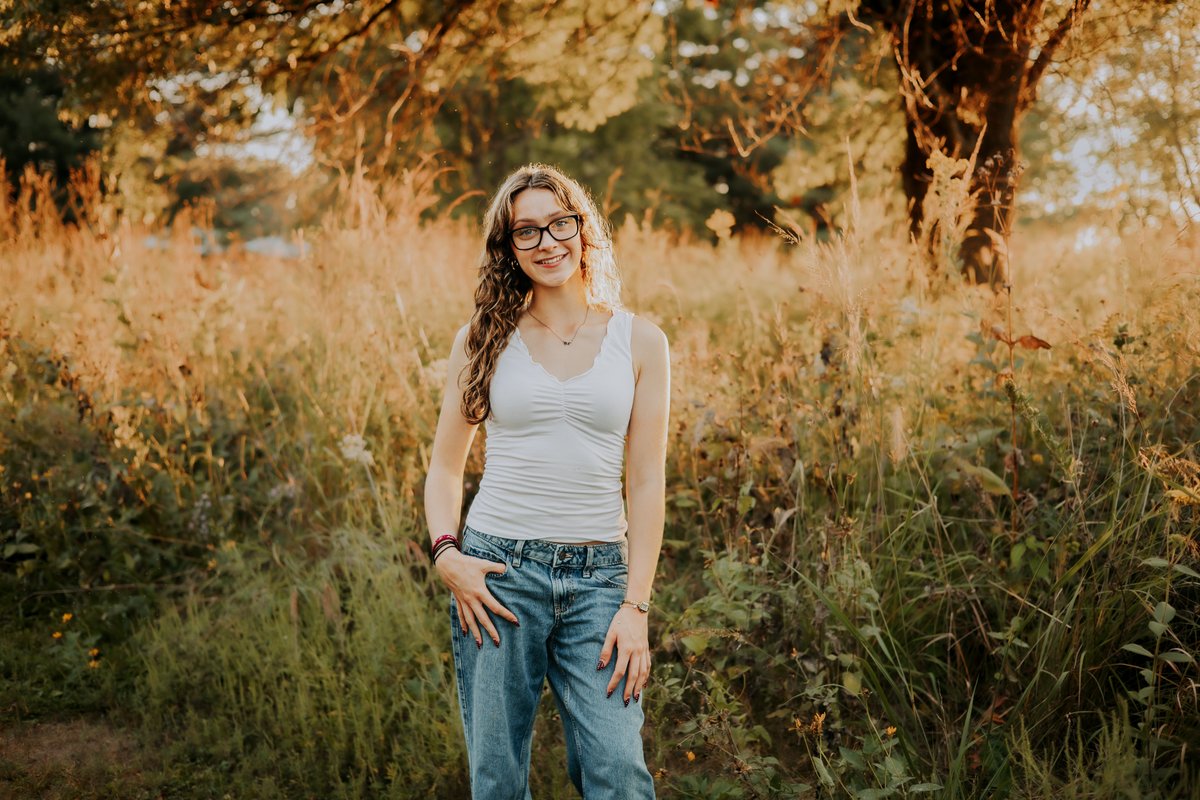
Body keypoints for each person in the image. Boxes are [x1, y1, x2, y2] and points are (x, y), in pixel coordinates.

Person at [423, 163, 670, 799]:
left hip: (600, 581)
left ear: (583, 229)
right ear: (508, 248)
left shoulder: (641, 342)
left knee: (619, 773)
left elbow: (646, 483)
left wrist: (636, 606)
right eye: (526, 231)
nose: (547, 242)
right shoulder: (482, 340)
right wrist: (447, 556)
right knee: (498, 780)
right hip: (498, 575)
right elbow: (445, 466)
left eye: (559, 223)